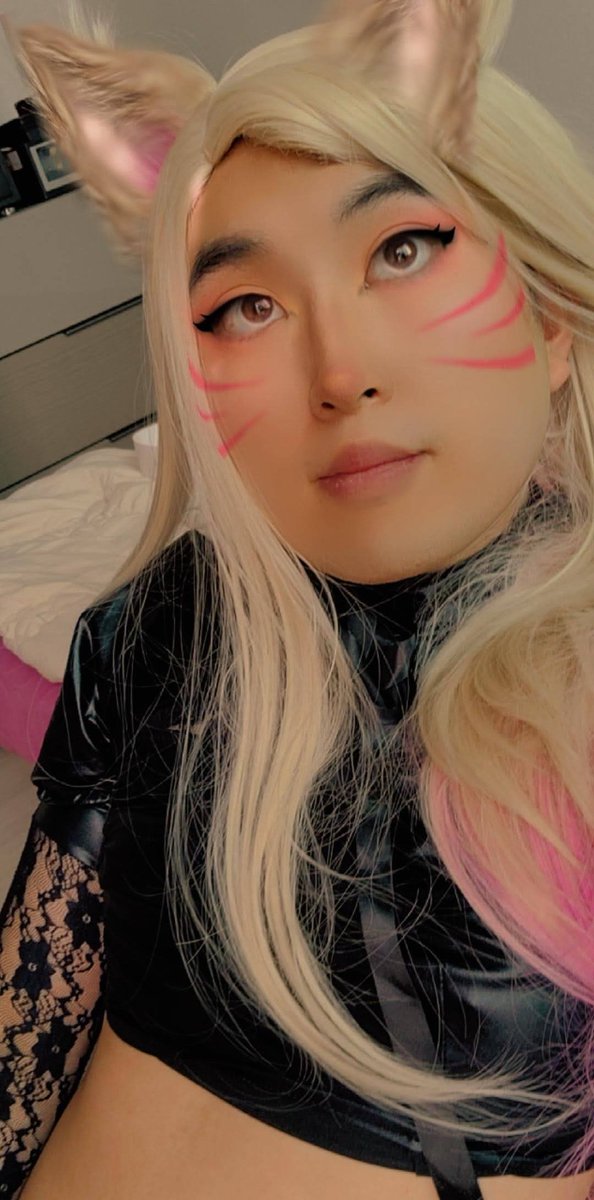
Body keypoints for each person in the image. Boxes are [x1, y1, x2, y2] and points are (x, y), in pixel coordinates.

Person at [2, 0, 594, 1196]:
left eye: (403, 250)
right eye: (246, 308)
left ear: (550, 321)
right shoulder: (155, 623)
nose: (339, 372)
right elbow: (31, 1015)